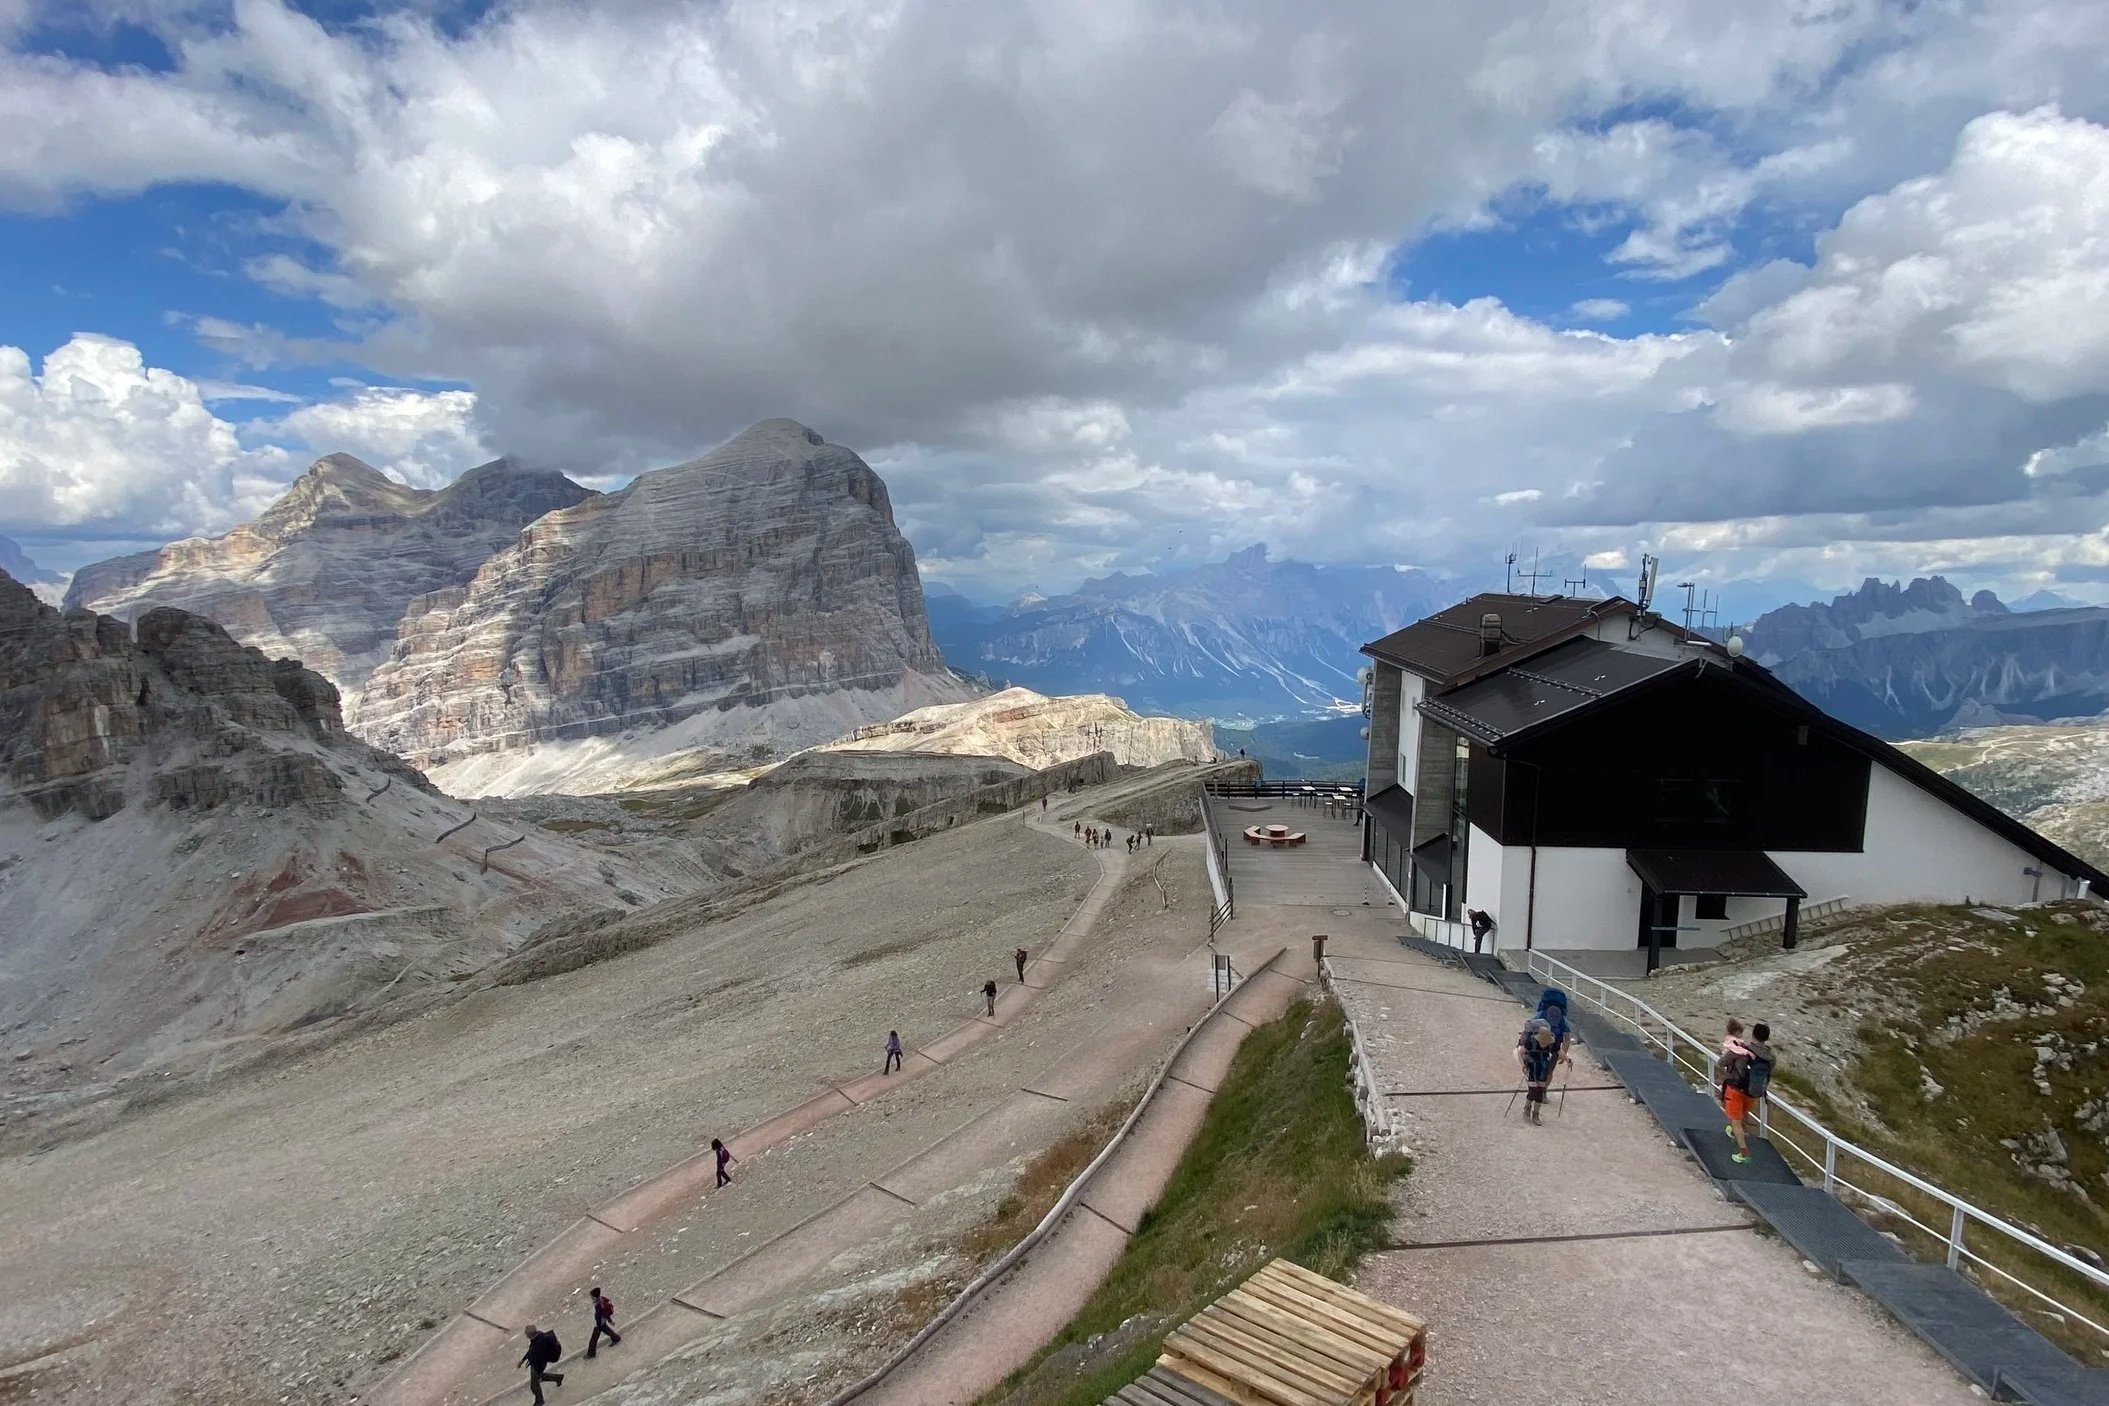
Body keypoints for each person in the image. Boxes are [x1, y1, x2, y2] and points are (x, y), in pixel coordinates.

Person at [1723, 1022, 1776, 1164]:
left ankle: (1744, 1153)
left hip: (1736, 1089)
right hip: (1753, 1092)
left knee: (1735, 1121)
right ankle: (1739, 1135)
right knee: (1743, 1115)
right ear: (1766, 1038)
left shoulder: (1742, 1050)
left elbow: (1722, 1062)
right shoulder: (1771, 1057)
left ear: (1753, 1034)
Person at [1514, 1018, 1565, 1124]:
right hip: (1531, 1068)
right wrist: (1523, 1065)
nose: (1544, 1044)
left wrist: (1568, 1060)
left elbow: (1560, 1052)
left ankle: (1535, 1114)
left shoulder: (1552, 1044)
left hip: (1543, 1069)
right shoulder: (1530, 1042)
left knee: (1540, 1092)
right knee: (1533, 1091)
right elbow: (1520, 1053)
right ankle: (1527, 1107)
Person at [520, 1324, 564, 1404]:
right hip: (538, 1363)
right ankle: (557, 1378)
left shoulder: (538, 1344)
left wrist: (537, 1369)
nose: (525, 1335)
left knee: (534, 1386)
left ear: (530, 1335)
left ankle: (539, 1401)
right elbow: (531, 1351)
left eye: (526, 1333)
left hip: (538, 1365)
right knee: (539, 1377)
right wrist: (523, 1360)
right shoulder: (538, 1337)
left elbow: (535, 1355)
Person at [586, 1286, 621, 1357]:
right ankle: (616, 1338)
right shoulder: (601, 1300)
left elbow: (600, 1315)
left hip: (599, 1324)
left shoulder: (598, 1305)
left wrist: (598, 1325)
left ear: (595, 1297)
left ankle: (591, 1354)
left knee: (594, 1339)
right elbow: (605, 1314)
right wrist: (610, 1321)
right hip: (602, 1322)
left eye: (592, 1296)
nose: (591, 1298)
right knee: (607, 1330)